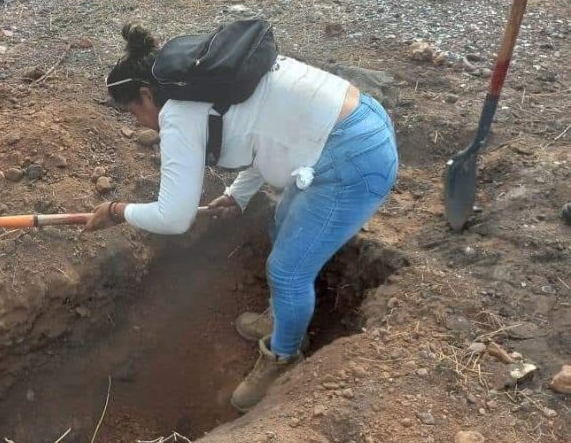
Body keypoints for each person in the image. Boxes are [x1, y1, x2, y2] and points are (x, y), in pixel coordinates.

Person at [85, 24, 398, 411]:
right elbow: (265, 132)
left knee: (288, 271)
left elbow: (174, 217)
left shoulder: (180, 114)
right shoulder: (206, 81)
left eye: (133, 111)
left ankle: (282, 360)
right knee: (282, 226)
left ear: (147, 95)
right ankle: (282, 319)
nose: (136, 122)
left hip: (351, 159)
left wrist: (118, 211)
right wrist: (239, 195)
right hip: (352, 125)